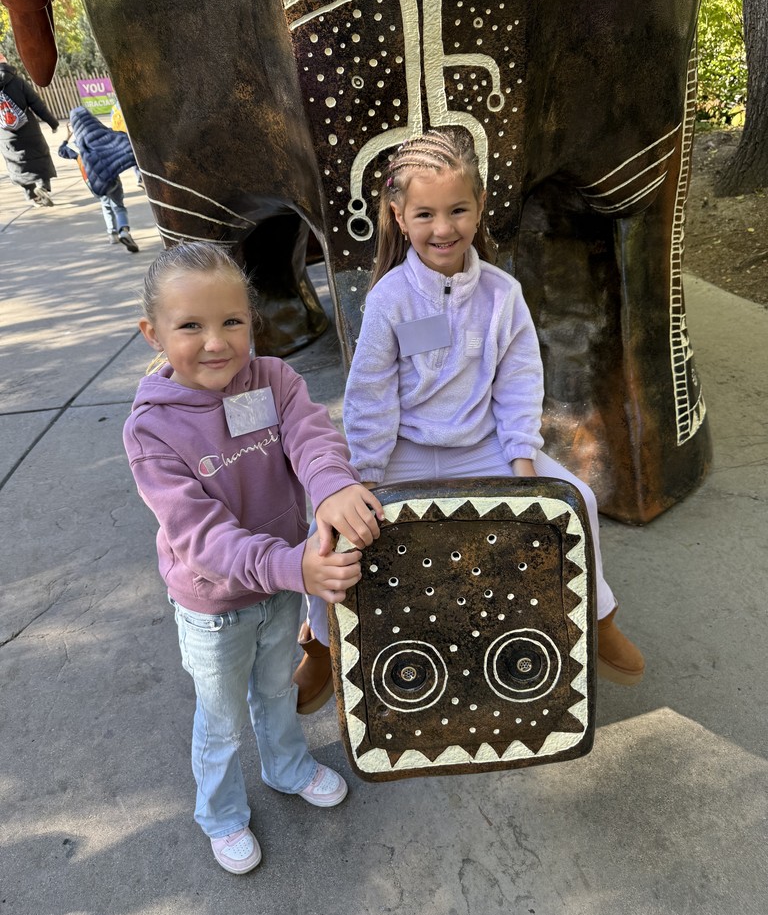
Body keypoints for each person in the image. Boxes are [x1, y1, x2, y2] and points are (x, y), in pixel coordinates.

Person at [298, 127, 645, 705]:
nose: (444, 228)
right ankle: (321, 645)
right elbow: (371, 395)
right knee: (328, 532)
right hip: (405, 450)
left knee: (577, 500)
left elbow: (519, 382)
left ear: (480, 205)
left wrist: (521, 461)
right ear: (399, 216)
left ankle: (599, 617)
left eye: (458, 209)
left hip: (483, 446)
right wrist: (367, 475)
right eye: (425, 214)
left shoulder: (503, 295)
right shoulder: (389, 299)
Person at [123, 241, 384, 874]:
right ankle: (219, 814)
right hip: (214, 605)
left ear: (252, 319)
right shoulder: (150, 430)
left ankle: (287, 767)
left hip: (281, 585)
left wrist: (332, 486)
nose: (216, 343)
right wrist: (296, 567)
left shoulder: (273, 380)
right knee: (220, 719)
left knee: (274, 688)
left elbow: (311, 437)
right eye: (191, 326)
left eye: (232, 321)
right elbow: (200, 536)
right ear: (153, 333)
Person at [58, 105, 140, 251]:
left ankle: (112, 234)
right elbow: (123, 138)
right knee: (119, 206)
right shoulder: (106, 136)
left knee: (106, 205)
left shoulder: (76, 146)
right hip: (112, 178)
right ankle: (123, 230)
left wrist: (67, 136)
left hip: (93, 183)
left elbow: (61, 152)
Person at [0, 53, 58, 205]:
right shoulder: (18, 82)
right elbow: (37, 104)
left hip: (6, 134)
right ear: (4, 61)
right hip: (29, 130)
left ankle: (32, 196)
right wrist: (52, 123)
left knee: (18, 164)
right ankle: (43, 187)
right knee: (40, 158)